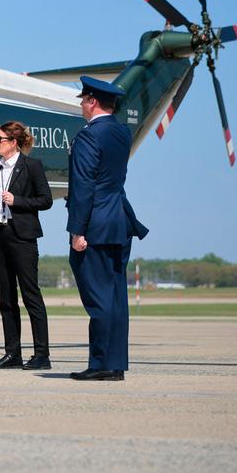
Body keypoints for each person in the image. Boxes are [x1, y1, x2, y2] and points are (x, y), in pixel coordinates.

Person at [66, 76, 149, 381]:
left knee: (98, 298)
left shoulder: (88, 137)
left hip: (95, 226)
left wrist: (78, 231)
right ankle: (115, 364)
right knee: (116, 298)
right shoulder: (122, 133)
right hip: (119, 222)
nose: (82, 106)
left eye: (84, 100)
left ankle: (100, 364)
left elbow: (84, 186)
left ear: (92, 102)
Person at [0, 120, 53, 370]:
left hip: (22, 237)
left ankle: (42, 355)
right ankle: (13, 354)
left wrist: (17, 200)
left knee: (31, 295)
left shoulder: (31, 166)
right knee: (6, 298)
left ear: (13, 143)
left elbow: (46, 200)